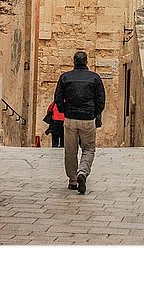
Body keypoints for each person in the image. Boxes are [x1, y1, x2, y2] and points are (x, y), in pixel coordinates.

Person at [53, 50, 105, 195]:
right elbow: (101, 100)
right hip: (88, 119)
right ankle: (82, 172)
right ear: (87, 61)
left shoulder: (65, 77)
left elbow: (57, 98)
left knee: (70, 151)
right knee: (88, 149)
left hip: (70, 119)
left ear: (73, 61)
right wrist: (95, 113)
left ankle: (73, 180)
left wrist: (65, 110)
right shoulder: (95, 78)